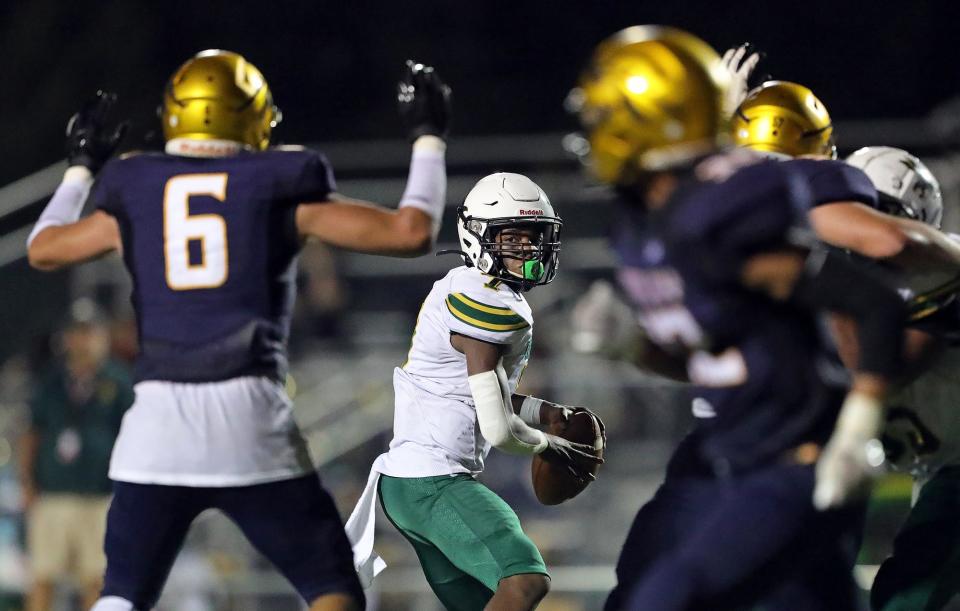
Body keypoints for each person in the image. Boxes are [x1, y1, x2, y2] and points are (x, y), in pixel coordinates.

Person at [26, 50, 452, 611]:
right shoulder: (280, 185)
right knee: (332, 589)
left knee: (121, 597)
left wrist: (80, 169)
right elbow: (411, 231)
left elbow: (43, 247)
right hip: (246, 414)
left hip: (156, 424)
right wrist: (428, 137)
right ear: (254, 117)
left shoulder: (136, 188)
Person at [566, 26, 909, 609]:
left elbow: (872, 300)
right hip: (726, 452)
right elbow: (709, 355)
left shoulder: (721, 210)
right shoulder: (640, 219)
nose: (593, 131)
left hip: (794, 460)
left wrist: (857, 430)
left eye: (606, 115)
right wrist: (633, 346)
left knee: (665, 600)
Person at [346, 172, 604, 611]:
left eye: (535, 236)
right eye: (515, 238)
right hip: (430, 481)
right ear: (478, 238)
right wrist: (552, 445)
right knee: (524, 581)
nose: (528, 248)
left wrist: (544, 412)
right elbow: (499, 429)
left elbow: (475, 392)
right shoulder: (482, 300)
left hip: (415, 482)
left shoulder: (479, 290)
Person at [839, 147, 960, 611]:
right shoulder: (844, 291)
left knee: (905, 596)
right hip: (936, 469)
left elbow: (886, 365)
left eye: (880, 215)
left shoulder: (936, 273)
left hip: (954, 473)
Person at [18, 304, 133, 611]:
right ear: (67, 338)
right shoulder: (51, 381)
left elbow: (135, 438)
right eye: (77, 333)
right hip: (53, 494)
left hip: (100, 496)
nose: (83, 341)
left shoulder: (119, 381)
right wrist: (26, 482)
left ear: (103, 337)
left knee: (96, 580)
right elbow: (32, 434)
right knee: (42, 577)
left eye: (90, 332)